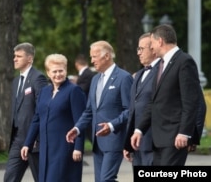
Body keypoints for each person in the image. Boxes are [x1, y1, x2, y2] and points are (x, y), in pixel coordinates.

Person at [131, 24, 200, 166]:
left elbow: (191, 101)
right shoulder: (161, 65)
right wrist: (139, 130)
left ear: (160, 41)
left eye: (152, 43)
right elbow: (153, 102)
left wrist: (184, 132)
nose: (151, 48)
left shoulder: (184, 61)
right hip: (158, 138)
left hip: (175, 137)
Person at [66, 40, 133, 182]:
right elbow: (89, 111)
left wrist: (111, 125)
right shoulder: (95, 79)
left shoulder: (124, 77)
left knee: (106, 179)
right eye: (91, 57)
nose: (92, 60)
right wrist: (77, 129)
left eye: (95, 56)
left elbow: (130, 110)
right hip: (97, 142)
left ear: (107, 56)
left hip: (115, 140)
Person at [21, 54, 86, 182]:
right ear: (48, 73)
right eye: (54, 71)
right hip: (45, 149)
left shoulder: (74, 91)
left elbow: (81, 121)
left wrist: (78, 147)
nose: (58, 74)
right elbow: (37, 119)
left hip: (65, 149)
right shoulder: (44, 92)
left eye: (61, 70)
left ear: (66, 70)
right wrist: (27, 143)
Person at [4, 42, 48, 182]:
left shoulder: (38, 78)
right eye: (14, 56)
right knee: (10, 178)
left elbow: (42, 109)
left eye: (19, 56)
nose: (14, 59)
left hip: (34, 140)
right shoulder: (16, 81)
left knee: (41, 178)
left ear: (29, 59)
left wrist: (36, 137)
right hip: (17, 139)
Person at [123, 33, 160, 166]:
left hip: (154, 142)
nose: (138, 53)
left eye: (141, 49)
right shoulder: (138, 75)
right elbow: (133, 109)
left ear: (153, 49)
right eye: (137, 49)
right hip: (137, 143)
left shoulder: (163, 72)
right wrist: (128, 143)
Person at [75, 54, 96, 143]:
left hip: (87, 106)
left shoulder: (86, 74)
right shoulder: (89, 73)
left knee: (89, 131)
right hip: (87, 107)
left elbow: (81, 89)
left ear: (76, 64)